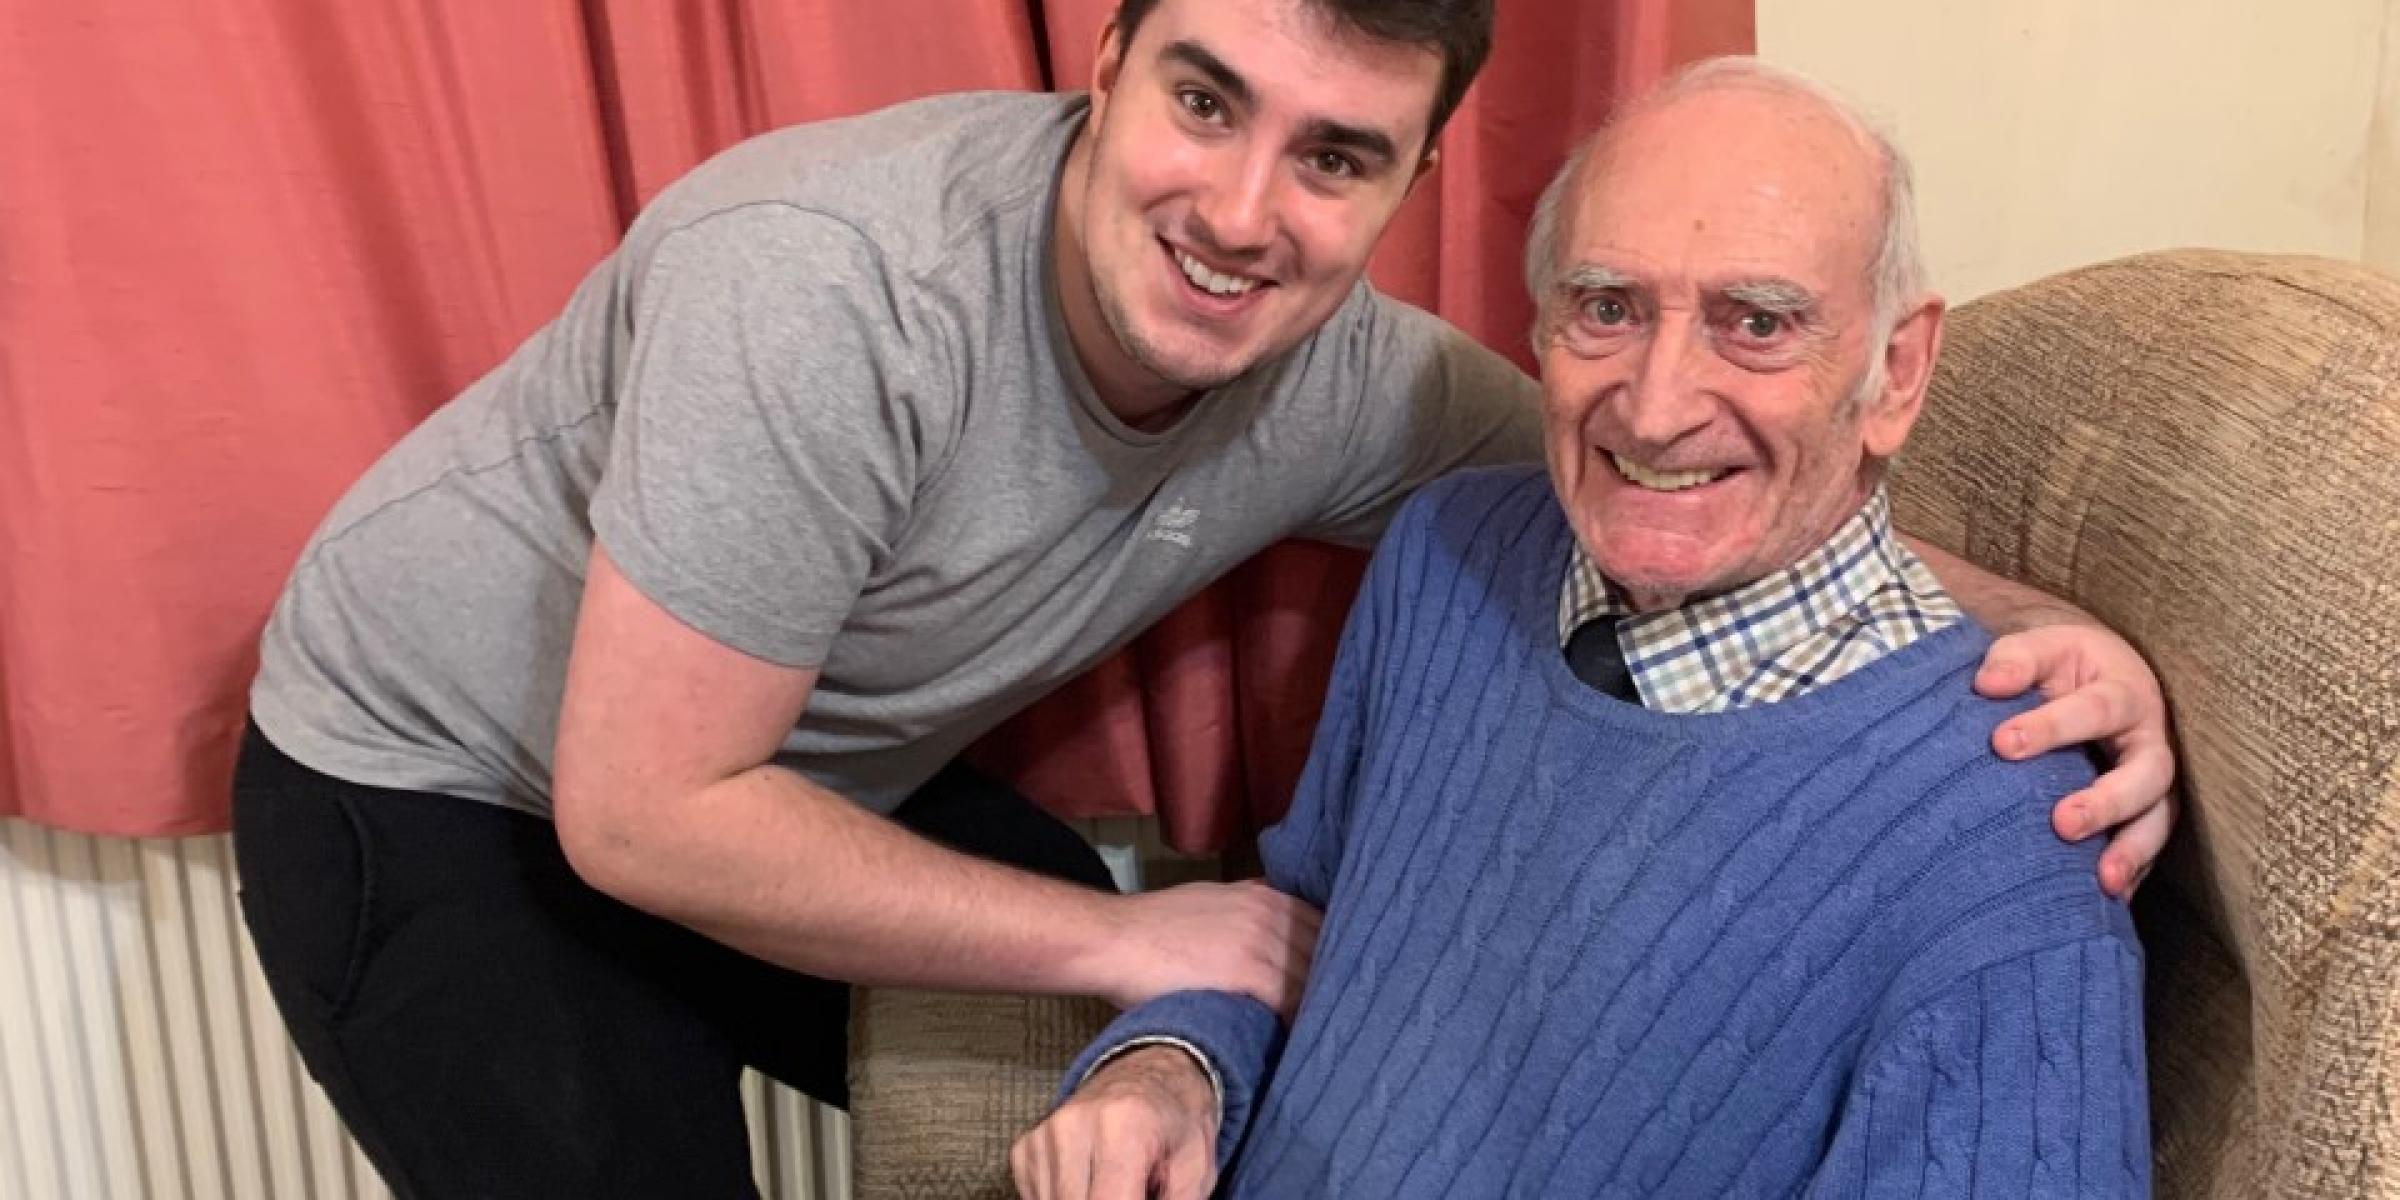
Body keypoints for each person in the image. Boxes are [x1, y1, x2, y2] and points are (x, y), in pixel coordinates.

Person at [232, 0, 2168, 1194]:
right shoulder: (827, 294)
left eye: (1336, 155)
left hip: (778, 758)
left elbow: (1672, 480)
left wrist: (2043, 638)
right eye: (1206, 99)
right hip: (432, 783)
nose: (1246, 214)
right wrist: (1148, 972)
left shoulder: (1362, 395)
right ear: (1101, 65)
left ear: (1414, 182)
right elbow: (636, 808)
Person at [1015, 58, 2149, 1199]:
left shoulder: (2009, 845)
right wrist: (1167, 1072)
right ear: (1543, 326)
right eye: (1607, 307)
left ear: (1894, 371)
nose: (1656, 408)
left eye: (1755, 322)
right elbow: (1298, 934)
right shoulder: (1447, 555)